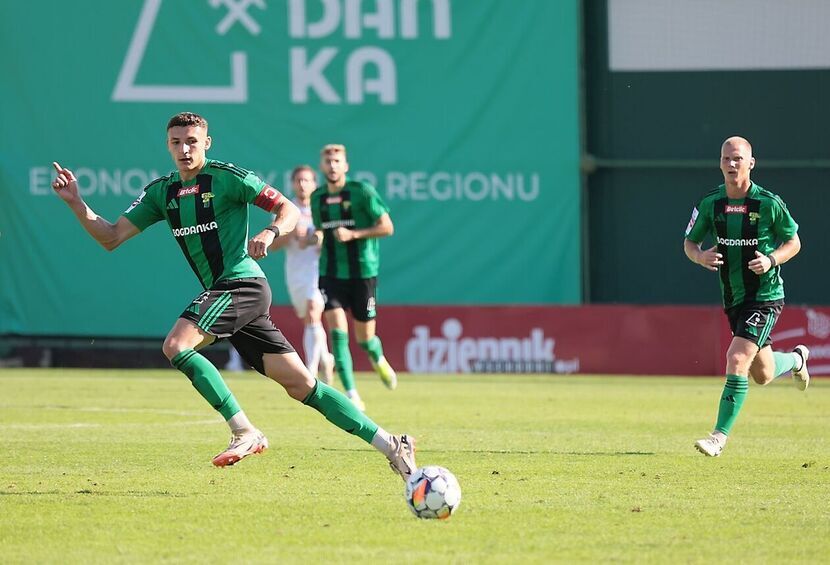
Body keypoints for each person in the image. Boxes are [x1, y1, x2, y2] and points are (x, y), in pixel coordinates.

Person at [51, 112, 416, 480]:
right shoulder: (162, 191)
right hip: (229, 295)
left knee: (176, 345)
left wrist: (272, 232)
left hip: (242, 285)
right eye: (176, 142)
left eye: (192, 141)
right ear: (168, 146)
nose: (184, 149)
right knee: (303, 385)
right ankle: (392, 445)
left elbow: (287, 208)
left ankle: (244, 431)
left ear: (207, 143)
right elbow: (111, 236)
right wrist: (75, 203)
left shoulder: (228, 177)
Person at [684, 135, 809, 457]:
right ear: (720, 163)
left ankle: (718, 436)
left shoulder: (768, 203)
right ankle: (797, 359)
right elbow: (689, 243)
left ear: (751, 163)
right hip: (733, 298)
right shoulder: (710, 203)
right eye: (726, 159)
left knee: (736, 359)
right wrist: (699, 257)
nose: (731, 164)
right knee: (763, 373)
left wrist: (771, 259)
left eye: (738, 158)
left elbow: (793, 242)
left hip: (765, 295)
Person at [311, 144, 397, 411]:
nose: (332, 165)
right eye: (328, 161)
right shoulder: (317, 198)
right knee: (337, 333)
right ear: (322, 166)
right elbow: (321, 230)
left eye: (337, 161)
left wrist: (354, 234)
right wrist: (317, 237)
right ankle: (351, 393)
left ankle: (377, 357)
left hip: (362, 272)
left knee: (364, 339)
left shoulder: (362, 192)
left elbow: (387, 227)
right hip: (330, 273)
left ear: (345, 165)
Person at [268, 165, 335, 385]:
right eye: (299, 180)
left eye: (307, 180)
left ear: (314, 184)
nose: (303, 184)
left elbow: (329, 237)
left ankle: (311, 371)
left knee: (314, 312)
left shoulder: (322, 208)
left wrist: (316, 238)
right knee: (310, 318)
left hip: (320, 271)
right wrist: (289, 236)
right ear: (293, 184)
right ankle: (326, 359)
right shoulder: (287, 210)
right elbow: (274, 244)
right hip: (296, 274)